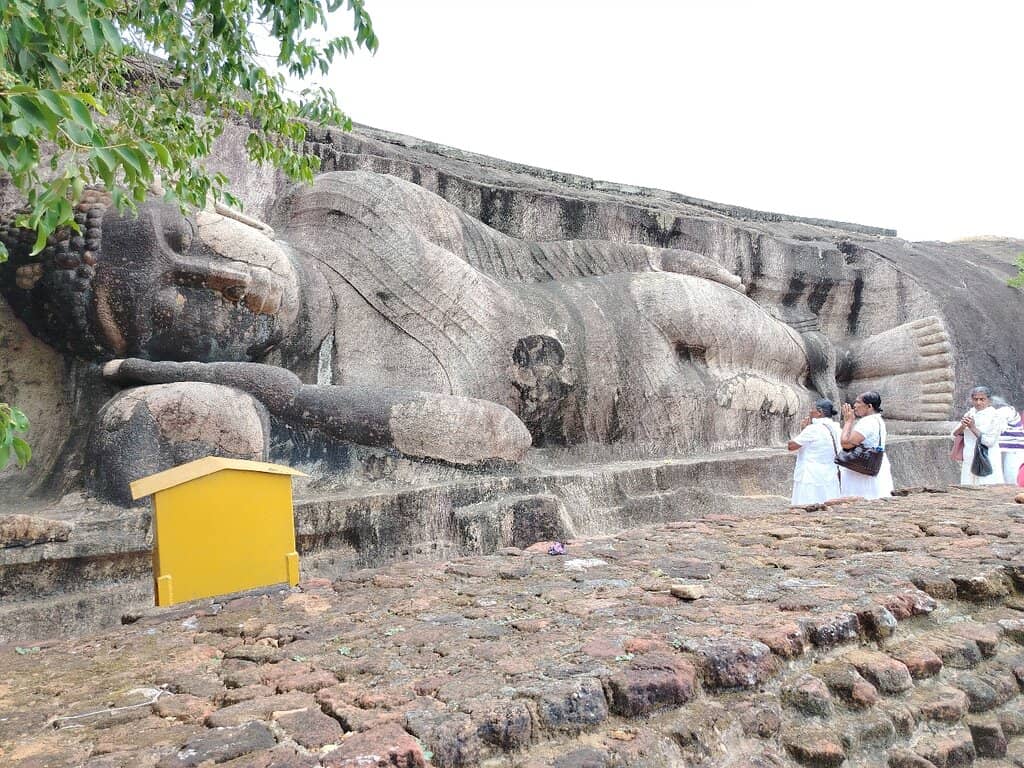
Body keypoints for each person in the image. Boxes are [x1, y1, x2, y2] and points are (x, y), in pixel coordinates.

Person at [839, 391, 894, 499]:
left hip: (863, 468)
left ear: (869, 406)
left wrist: (848, 422)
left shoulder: (867, 422)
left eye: (858, 402)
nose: (854, 405)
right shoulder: (878, 420)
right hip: (875, 464)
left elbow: (846, 444)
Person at [788, 398, 842, 504]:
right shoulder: (837, 428)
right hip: (830, 474)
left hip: (811, 475)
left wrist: (803, 430)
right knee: (827, 503)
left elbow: (792, 446)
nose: (810, 412)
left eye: (812, 409)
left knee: (807, 504)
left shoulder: (813, 429)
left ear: (819, 412)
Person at [952, 386, 1004, 485]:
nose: (978, 402)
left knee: (987, 489)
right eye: (975, 399)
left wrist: (972, 427)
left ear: (989, 400)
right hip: (969, 458)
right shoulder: (970, 413)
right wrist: (962, 426)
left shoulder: (995, 416)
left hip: (987, 460)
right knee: (968, 490)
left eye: (982, 399)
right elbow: (954, 434)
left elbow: (989, 441)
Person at [992, 396, 1024, 486]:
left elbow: (996, 424)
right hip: (1007, 449)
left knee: (1012, 477)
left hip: (1015, 450)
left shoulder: (1005, 411)